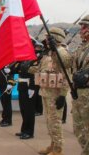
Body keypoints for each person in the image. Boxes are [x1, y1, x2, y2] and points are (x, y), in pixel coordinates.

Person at [31, 27, 71, 155]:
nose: (46, 40)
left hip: (56, 94)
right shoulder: (51, 52)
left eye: (48, 37)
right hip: (47, 92)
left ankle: (58, 150)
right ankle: (53, 146)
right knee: (50, 121)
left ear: (55, 38)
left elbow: (66, 74)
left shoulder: (62, 52)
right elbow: (44, 70)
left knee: (55, 123)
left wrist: (63, 95)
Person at [71, 14, 89, 154]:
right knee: (80, 132)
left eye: (84, 26)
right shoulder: (83, 47)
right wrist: (54, 49)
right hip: (80, 97)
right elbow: (70, 65)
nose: (81, 29)